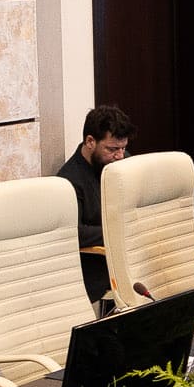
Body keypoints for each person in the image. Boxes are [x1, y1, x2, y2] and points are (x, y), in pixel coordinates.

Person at [56, 104, 132, 303]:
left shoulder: (121, 162)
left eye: (123, 148)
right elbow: (75, 232)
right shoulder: (69, 181)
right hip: (96, 265)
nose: (120, 156)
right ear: (90, 141)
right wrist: (118, 231)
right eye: (112, 149)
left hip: (129, 253)